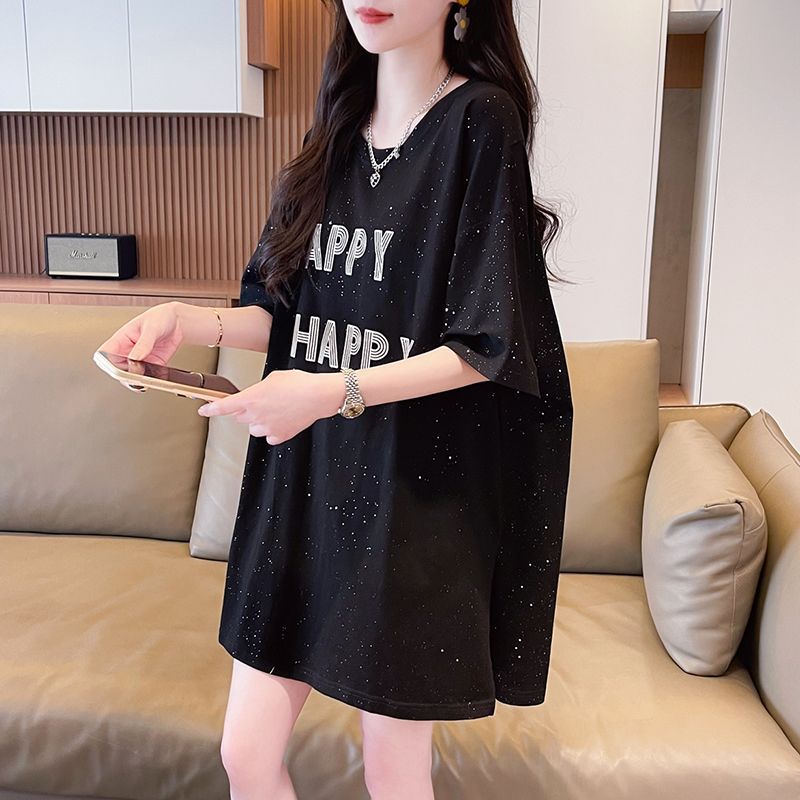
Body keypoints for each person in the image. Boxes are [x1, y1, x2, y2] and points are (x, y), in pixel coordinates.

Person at [98, 1, 574, 797]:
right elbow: (281, 311)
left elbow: (487, 346)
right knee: (246, 755)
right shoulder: (334, 134)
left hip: (410, 498)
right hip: (304, 484)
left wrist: (329, 393)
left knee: (392, 773)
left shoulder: (477, 121)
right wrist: (187, 319)